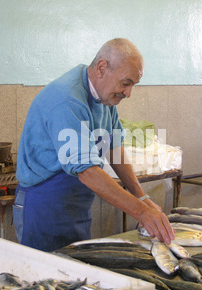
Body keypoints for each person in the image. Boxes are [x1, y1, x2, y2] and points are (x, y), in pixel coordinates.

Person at [13, 38, 174, 252]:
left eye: (133, 85)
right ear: (102, 68)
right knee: (45, 277)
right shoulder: (67, 100)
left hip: (76, 207)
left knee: (76, 277)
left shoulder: (104, 98)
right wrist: (142, 212)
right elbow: (87, 171)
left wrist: (141, 197)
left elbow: (114, 147)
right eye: (125, 83)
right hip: (44, 208)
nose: (128, 93)